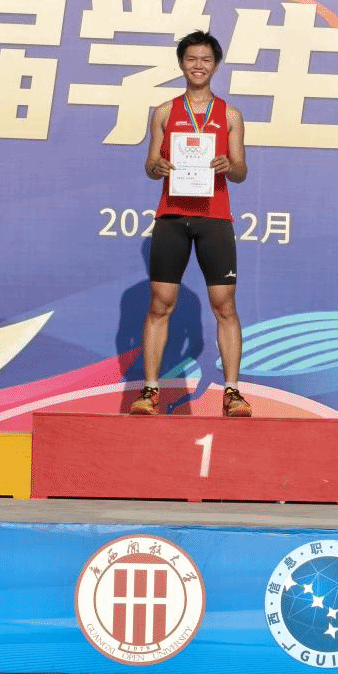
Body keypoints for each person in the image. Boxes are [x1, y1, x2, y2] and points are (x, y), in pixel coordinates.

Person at [130, 30, 251, 418]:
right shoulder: (165, 111)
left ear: (215, 65)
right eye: (191, 59)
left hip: (214, 217)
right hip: (172, 216)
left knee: (224, 305)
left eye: (206, 59)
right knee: (160, 304)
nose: (198, 65)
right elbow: (150, 165)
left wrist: (228, 166)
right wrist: (158, 166)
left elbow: (241, 171)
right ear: (182, 64)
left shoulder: (229, 115)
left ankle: (232, 392)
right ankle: (150, 390)